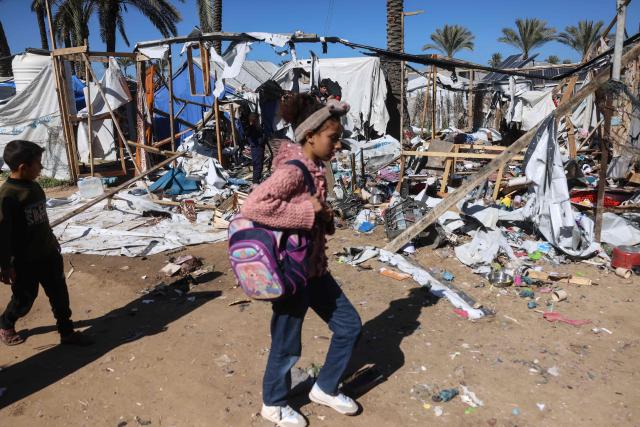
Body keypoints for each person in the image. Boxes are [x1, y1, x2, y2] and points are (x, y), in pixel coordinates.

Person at [241, 94, 362, 427]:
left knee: (349, 326)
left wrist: (324, 216)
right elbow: (253, 207)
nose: (338, 145)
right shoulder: (293, 170)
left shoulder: (315, 168)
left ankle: (324, 387)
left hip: (314, 270)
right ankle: (273, 403)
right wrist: (309, 210)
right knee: (287, 343)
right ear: (310, 136)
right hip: (292, 273)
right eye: (333, 138)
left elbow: (316, 216)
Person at [0, 140, 92, 346]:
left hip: (48, 253)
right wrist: (5, 265)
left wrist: (52, 240)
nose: (41, 167)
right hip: (25, 261)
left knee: (60, 295)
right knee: (24, 299)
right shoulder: (8, 197)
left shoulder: (34, 187)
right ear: (23, 167)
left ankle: (66, 332)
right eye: (38, 163)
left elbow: (41, 220)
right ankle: (6, 323)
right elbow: (3, 235)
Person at [246, 112, 267, 185]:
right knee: (258, 165)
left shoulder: (255, 127)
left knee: (257, 165)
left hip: (256, 148)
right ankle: (256, 182)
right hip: (257, 148)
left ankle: (256, 181)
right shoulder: (253, 128)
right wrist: (263, 138)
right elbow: (257, 140)